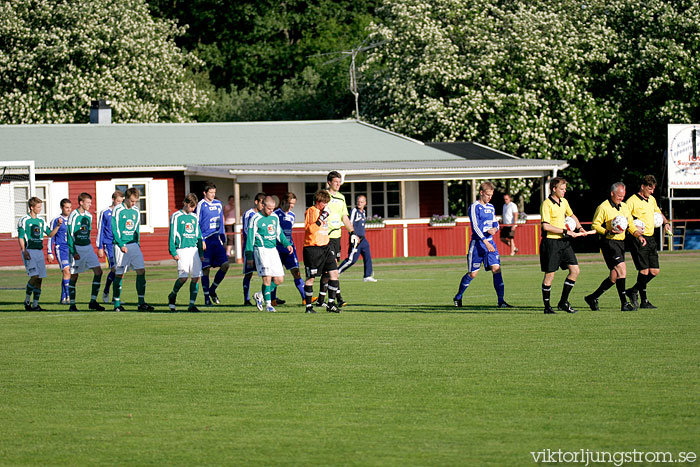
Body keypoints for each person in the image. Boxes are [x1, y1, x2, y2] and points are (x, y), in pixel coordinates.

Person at [585, 182, 646, 312]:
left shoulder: (624, 207)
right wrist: (608, 231)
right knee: (622, 270)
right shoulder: (603, 207)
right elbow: (595, 225)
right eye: (619, 196)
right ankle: (624, 304)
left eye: (623, 196)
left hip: (620, 243)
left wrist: (638, 235)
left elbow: (630, 225)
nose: (621, 198)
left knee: (614, 277)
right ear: (612, 193)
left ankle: (592, 297)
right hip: (609, 243)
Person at [453, 182, 512, 308]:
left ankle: (501, 301)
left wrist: (494, 230)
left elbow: (495, 223)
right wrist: (485, 241)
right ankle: (458, 296)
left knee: (497, 269)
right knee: (473, 274)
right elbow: (475, 227)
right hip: (478, 244)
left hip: (490, 243)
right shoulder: (474, 207)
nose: (489, 197)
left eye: (491, 195)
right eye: (487, 195)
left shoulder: (491, 207)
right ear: (481, 193)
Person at [539, 177, 593, 314]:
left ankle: (563, 302)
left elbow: (572, 215)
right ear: (554, 189)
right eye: (562, 189)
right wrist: (566, 231)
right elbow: (545, 226)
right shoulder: (546, 204)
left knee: (575, 270)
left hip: (564, 242)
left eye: (565, 189)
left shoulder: (564, 202)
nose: (564, 191)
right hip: (551, 243)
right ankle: (547, 307)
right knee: (550, 275)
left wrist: (580, 228)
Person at [624, 174, 673, 309]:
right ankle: (644, 301)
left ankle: (633, 291)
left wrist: (666, 223)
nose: (652, 192)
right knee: (644, 271)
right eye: (649, 189)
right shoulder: (631, 201)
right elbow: (625, 219)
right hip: (638, 238)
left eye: (653, 189)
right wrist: (634, 228)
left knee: (654, 271)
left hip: (651, 238)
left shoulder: (651, 200)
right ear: (643, 187)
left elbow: (658, 213)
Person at [316, 171, 358, 308]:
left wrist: (352, 232)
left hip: (336, 237)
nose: (338, 184)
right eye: (336, 182)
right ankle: (337, 299)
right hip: (325, 237)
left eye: (339, 182)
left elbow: (344, 217)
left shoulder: (341, 198)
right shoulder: (322, 196)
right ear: (329, 182)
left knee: (329, 270)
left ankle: (321, 300)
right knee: (331, 269)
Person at [245, 195, 293, 312]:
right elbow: (250, 237)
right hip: (261, 250)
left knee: (279, 279)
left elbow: (279, 233)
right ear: (263, 205)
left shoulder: (274, 217)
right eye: (269, 209)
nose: (271, 211)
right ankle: (268, 305)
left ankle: (259, 295)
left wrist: (287, 244)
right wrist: (249, 255)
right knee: (267, 277)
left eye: (273, 208)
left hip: (273, 250)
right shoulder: (255, 218)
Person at [111, 187, 154, 311]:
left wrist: (138, 243)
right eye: (132, 201)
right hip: (121, 245)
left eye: (135, 201)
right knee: (120, 274)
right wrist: (120, 244)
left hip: (134, 245)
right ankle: (117, 304)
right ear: (126, 198)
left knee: (141, 271)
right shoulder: (118, 210)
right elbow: (115, 228)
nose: (133, 204)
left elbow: (136, 229)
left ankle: (141, 302)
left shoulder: (135, 210)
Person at [18, 197, 63, 311]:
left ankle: (35, 304)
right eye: (38, 207)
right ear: (32, 207)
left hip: (39, 251)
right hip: (29, 250)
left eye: (40, 207)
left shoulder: (41, 221)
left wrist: (57, 226)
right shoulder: (24, 220)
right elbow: (21, 237)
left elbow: (50, 234)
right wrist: (24, 250)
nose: (40, 209)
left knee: (40, 278)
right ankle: (27, 301)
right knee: (34, 276)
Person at [303, 189, 341, 313]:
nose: (326, 206)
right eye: (324, 203)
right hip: (312, 248)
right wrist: (322, 216)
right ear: (318, 202)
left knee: (334, 273)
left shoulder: (323, 212)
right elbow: (311, 230)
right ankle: (309, 307)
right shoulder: (312, 211)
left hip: (326, 246)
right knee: (311, 278)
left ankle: (331, 304)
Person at [66, 192, 105, 311]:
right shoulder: (73, 215)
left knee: (98, 272)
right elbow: (69, 234)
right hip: (77, 248)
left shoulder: (89, 215)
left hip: (87, 248)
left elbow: (87, 232)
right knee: (74, 275)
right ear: (81, 202)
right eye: (87, 202)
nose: (90, 204)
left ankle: (93, 301)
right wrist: (74, 252)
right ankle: (72, 304)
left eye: (90, 202)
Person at [168, 193, 205, 312]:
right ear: (185, 203)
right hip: (182, 250)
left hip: (193, 250)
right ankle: (173, 295)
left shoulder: (194, 217)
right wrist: (173, 251)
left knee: (196, 277)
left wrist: (201, 253)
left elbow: (198, 235)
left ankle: (191, 304)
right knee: (183, 278)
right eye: (191, 206)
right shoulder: (176, 216)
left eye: (194, 207)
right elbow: (172, 235)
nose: (192, 209)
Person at [196, 182, 229, 305]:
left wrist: (223, 238)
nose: (213, 195)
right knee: (206, 269)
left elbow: (221, 221)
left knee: (225, 265)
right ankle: (206, 298)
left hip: (216, 240)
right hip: (206, 241)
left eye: (214, 192)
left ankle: (212, 289)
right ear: (205, 193)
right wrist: (201, 240)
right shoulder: (201, 205)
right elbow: (196, 223)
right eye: (211, 192)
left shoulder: (218, 204)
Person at [272, 192, 306, 305]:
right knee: (276, 274)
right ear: (284, 202)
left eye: (294, 204)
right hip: (277, 248)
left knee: (296, 272)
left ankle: (305, 298)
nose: (292, 206)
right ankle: (272, 299)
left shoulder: (292, 215)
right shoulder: (275, 214)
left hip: (290, 248)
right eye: (290, 203)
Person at [338, 194, 376, 281]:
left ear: (365, 203)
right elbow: (349, 223)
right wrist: (353, 235)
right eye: (358, 201)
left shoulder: (363, 212)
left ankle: (367, 276)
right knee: (352, 260)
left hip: (363, 239)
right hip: (356, 239)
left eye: (361, 202)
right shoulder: (354, 211)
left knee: (367, 256)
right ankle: (337, 271)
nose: (359, 203)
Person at [96, 190, 125, 304]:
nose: (120, 203)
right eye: (118, 201)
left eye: (121, 201)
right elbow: (100, 229)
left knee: (120, 271)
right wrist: (99, 247)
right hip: (109, 244)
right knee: (114, 268)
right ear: (113, 200)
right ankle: (106, 290)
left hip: (119, 244)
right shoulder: (105, 212)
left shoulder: (122, 212)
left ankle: (116, 298)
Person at [241, 192, 266, 305]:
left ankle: (269, 297)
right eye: (262, 203)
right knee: (249, 273)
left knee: (266, 273)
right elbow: (247, 231)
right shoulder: (249, 214)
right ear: (256, 202)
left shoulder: (264, 215)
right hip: (250, 247)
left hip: (262, 248)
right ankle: (246, 299)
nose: (263, 205)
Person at [47, 198, 71, 304]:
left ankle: (63, 298)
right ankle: (69, 297)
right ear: (61, 207)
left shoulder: (72, 219)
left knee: (68, 273)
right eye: (66, 207)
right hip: (60, 249)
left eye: (70, 207)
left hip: (70, 249)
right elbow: (51, 236)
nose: (69, 210)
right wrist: (49, 252)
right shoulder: (56, 220)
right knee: (66, 271)